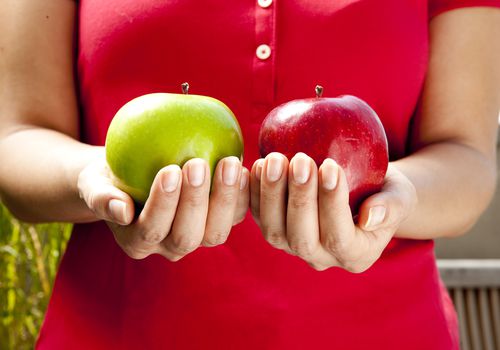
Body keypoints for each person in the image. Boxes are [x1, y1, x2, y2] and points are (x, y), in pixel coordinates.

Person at [1, 1, 499, 349]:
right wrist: (93, 177)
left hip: (387, 334)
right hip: (114, 334)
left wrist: (397, 200)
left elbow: (466, 156)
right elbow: (17, 139)